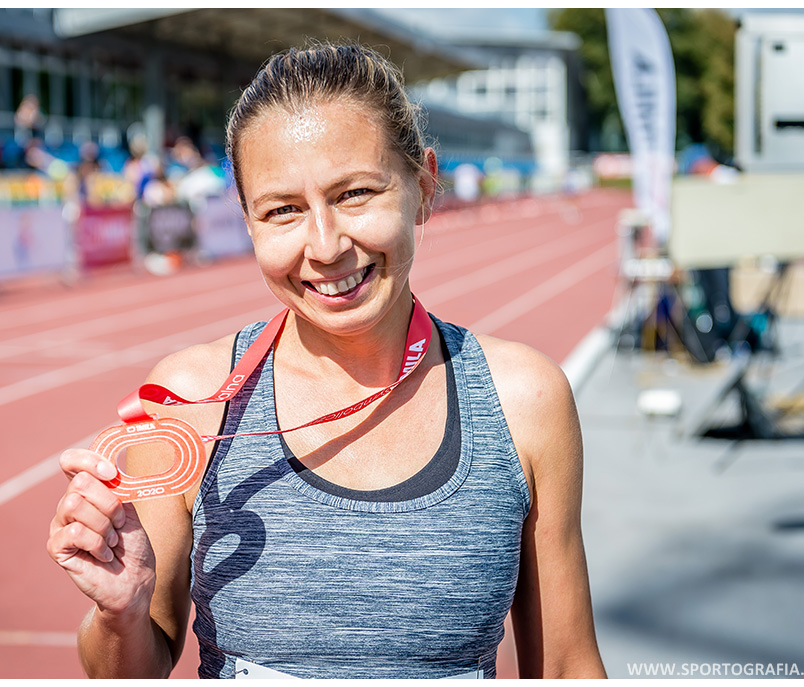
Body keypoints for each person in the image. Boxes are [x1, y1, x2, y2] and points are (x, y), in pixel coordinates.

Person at [47, 42, 606, 679]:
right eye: (283, 210)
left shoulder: (523, 400)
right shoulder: (190, 403)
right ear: (248, 223)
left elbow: (567, 667)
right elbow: (130, 670)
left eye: (356, 193)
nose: (325, 245)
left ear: (422, 188)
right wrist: (120, 613)